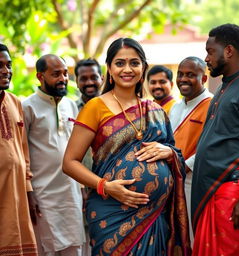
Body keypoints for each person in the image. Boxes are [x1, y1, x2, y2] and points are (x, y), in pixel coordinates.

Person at [63, 38, 191, 255]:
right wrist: (106, 186)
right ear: (110, 69)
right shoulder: (96, 107)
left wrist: (169, 152)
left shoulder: (155, 110)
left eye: (134, 63)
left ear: (143, 68)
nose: (127, 69)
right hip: (111, 213)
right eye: (120, 63)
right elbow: (69, 162)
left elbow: (175, 154)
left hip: (154, 216)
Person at [191, 24, 239, 256]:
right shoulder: (224, 86)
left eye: (210, 51)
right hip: (215, 193)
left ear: (228, 51)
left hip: (233, 193)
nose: (206, 58)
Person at [22, 54, 85, 256]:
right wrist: (28, 191)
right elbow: (22, 151)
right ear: (40, 77)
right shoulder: (27, 107)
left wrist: (82, 186)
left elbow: (77, 150)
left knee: (75, 246)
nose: (63, 79)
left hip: (71, 192)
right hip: (43, 193)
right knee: (47, 248)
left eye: (65, 73)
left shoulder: (71, 105)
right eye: (55, 74)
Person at [169, 56, 212, 245]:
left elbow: (210, 145)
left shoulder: (212, 104)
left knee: (194, 236)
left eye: (190, 75)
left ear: (203, 79)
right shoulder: (176, 106)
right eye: (180, 74)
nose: (183, 79)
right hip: (172, 178)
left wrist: (183, 167)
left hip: (193, 181)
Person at [0, 43, 38, 255]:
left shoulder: (15, 102)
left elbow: (23, 150)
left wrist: (29, 190)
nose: (6, 71)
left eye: (8, 65)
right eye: (0, 66)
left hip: (16, 192)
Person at [74, 58, 103, 255]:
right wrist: (81, 186)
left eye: (93, 77)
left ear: (102, 77)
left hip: (108, 189)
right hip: (75, 190)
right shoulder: (69, 110)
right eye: (83, 78)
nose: (89, 82)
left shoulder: (113, 108)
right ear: (76, 81)